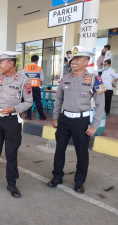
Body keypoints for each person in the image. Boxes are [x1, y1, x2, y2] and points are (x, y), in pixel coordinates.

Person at [47, 46, 106, 194]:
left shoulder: (94, 79)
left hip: (82, 121)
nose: (74, 61)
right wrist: (55, 117)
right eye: (73, 58)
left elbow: (100, 105)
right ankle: (57, 176)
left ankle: (79, 181)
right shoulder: (66, 78)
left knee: (82, 153)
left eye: (78, 58)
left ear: (87, 61)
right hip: (64, 119)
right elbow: (58, 99)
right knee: (59, 150)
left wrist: (95, 125)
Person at [0, 50, 33, 198]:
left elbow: (29, 102)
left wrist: (14, 108)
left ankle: (12, 184)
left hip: (12, 121)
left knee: (11, 155)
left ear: (11, 63)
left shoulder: (23, 80)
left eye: (2, 63)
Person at [23, 55, 46, 120]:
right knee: (38, 102)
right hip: (36, 87)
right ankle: (42, 116)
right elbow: (42, 79)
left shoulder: (26, 68)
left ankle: (29, 116)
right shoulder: (39, 68)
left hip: (28, 88)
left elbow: (22, 78)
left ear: (31, 60)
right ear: (37, 61)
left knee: (28, 101)